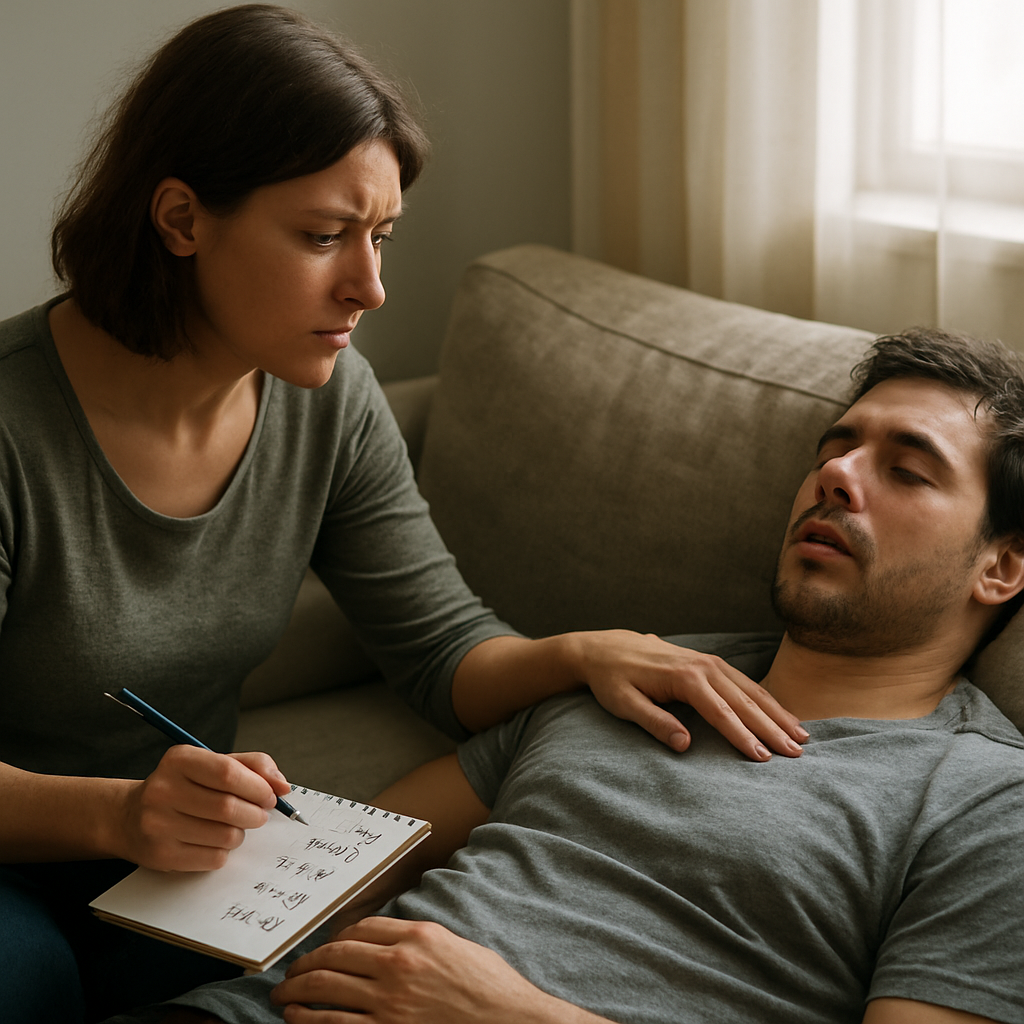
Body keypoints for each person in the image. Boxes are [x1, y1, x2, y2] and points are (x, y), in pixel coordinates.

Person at [0, 6, 806, 1024]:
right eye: (324, 236)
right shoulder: (11, 426)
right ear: (180, 219)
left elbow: (440, 653)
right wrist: (122, 811)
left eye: (380, 238)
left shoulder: (328, 400)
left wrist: (585, 652)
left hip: (185, 864)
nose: (370, 287)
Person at [130, 327, 1024, 1024]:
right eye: (835, 447)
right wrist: (201, 817)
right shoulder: (638, 674)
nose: (834, 475)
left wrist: (510, 1013)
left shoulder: (987, 804)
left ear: (1002, 569)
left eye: (906, 470)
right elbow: (349, 852)